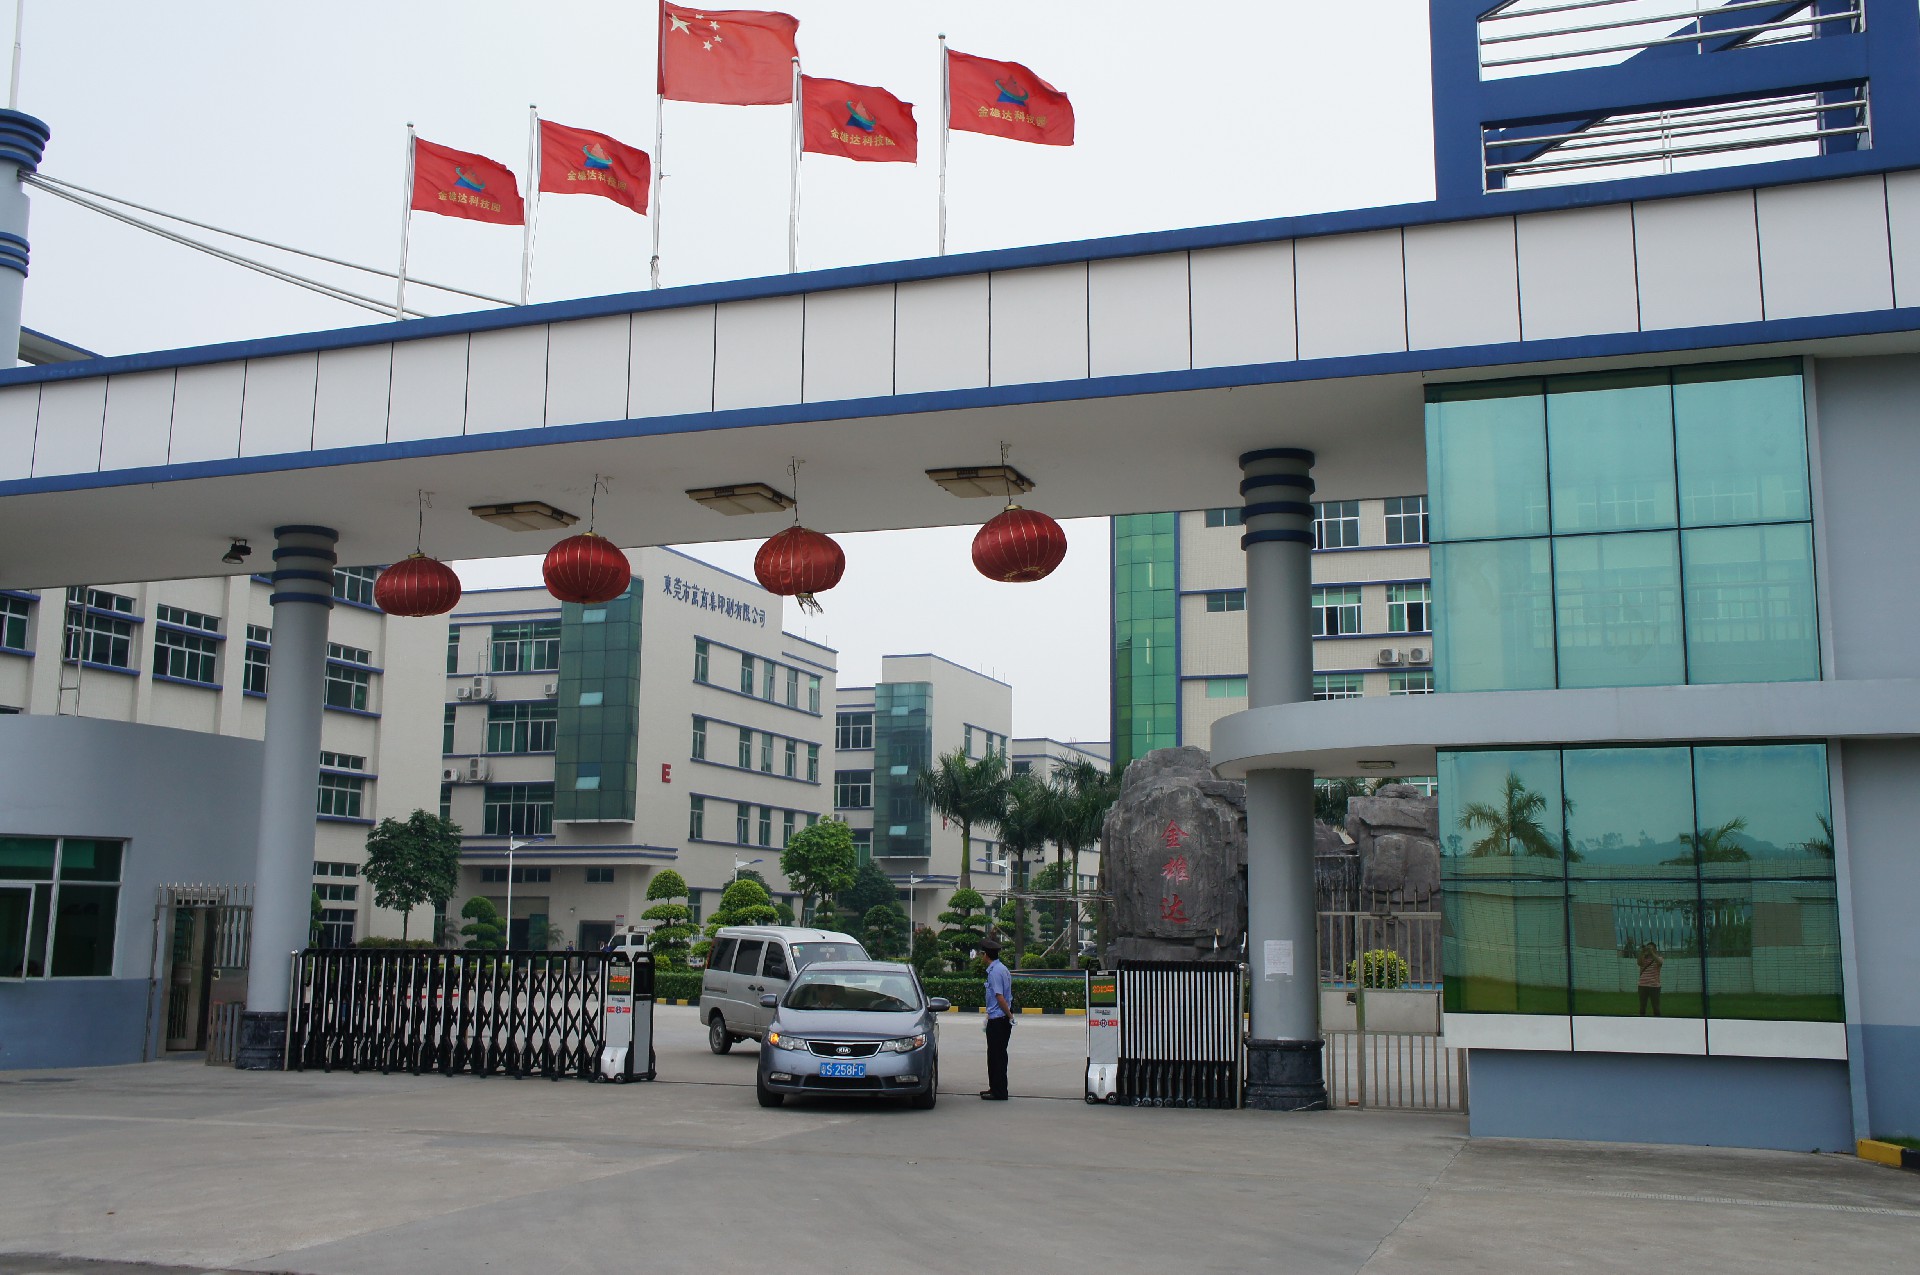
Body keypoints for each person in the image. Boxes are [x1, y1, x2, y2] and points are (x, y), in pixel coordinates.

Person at [980, 935, 1012, 1100]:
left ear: (986, 955)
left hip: (999, 1020)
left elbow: (999, 997)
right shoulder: (1001, 968)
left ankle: (999, 1092)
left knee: (996, 1057)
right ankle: (995, 1088)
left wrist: (1009, 1015)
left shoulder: (995, 972)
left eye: (982, 954)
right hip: (998, 1019)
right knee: (996, 1056)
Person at [1637, 941, 1664, 1017]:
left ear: (1655, 949)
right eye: (1648, 948)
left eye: (1651, 948)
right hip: (1642, 985)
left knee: (1656, 1007)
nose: (1648, 950)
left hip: (1654, 986)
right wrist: (1642, 952)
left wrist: (1652, 953)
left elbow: (1660, 963)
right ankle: (1642, 1020)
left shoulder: (1659, 958)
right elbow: (1639, 963)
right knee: (1642, 1007)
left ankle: (1658, 1021)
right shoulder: (1643, 958)